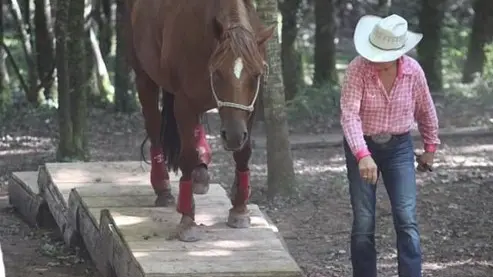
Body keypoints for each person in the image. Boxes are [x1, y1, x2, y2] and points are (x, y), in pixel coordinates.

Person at [340, 14, 440, 277]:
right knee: (363, 221)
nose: (376, 62)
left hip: (399, 148)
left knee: (406, 219)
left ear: (398, 54)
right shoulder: (357, 69)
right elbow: (349, 115)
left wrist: (430, 148)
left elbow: (426, 110)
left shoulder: (413, 72)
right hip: (361, 145)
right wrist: (362, 154)